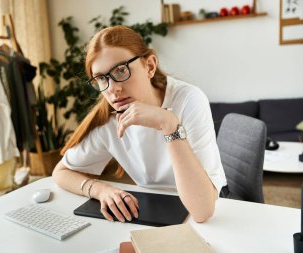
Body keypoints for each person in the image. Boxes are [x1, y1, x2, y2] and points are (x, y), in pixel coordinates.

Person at [52, 25, 226, 223]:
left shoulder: (189, 100)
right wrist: (100, 189)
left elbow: (202, 211)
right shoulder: (110, 119)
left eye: (120, 70)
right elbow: (61, 172)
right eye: (101, 79)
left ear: (149, 66)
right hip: (153, 209)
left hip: (208, 207)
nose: (114, 89)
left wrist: (168, 124)